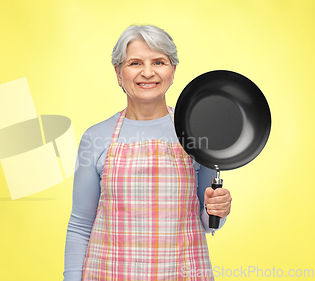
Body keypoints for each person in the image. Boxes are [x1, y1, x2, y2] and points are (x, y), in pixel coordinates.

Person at [63, 25, 232, 281]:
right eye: (135, 63)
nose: (148, 72)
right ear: (119, 73)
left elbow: (207, 223)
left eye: (159, 61)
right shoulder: (95, 137)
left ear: (173, 71)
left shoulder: (197, 132)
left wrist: (216, 210)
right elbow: (80, 226)